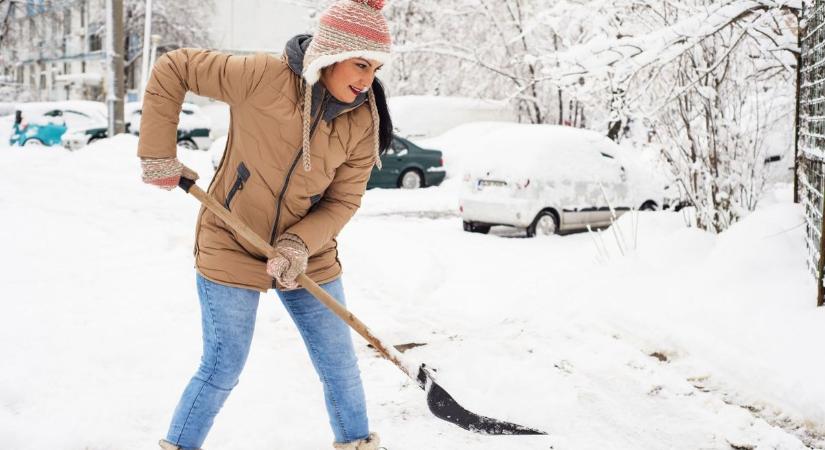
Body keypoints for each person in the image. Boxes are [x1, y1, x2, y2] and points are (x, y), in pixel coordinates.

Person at [137, 1, 393, 449]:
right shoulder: (261, 77)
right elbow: (175, 67)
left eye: (374, 67)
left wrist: (299, 244)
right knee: (223, 365)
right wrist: (158, 154)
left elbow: (343, 201)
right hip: (230, 236)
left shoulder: (362, 119)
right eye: (359, 64)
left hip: (308, 252)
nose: (367, 80)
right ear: (329, 54)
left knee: (339, 364)